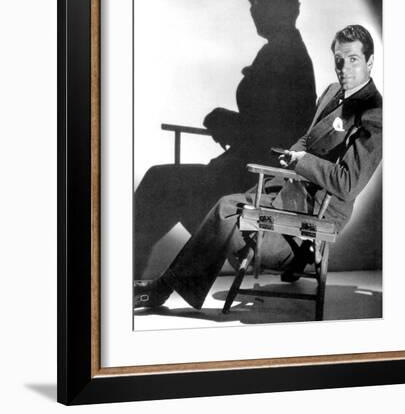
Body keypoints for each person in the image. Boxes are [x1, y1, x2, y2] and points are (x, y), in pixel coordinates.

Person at [134, 24, 382, 310]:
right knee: (219, 205)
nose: (343, 67)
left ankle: (162, 290)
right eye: (338, 58)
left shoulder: (374, 113)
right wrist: (293, 153)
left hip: (318, 212)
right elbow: (308, 136)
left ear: (370, 62)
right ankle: (166, 280)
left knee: (227, 209)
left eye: (353, 59)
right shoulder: (331, 91)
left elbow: (348, 183)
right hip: (290, 191)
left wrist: (303, 163)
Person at [134, 0, 316, 280]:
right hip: (241, 169)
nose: (253, 11)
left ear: (283, 5)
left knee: (158, 183)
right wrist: (229, 122)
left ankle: (120, 273)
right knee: (163, 182)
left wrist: (225, 122)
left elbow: (278, 133)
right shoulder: (280, 51)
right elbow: (265, 120)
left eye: (259, 1)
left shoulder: (285, 56)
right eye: (251, 3)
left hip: (255, 181)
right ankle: (142, 273)